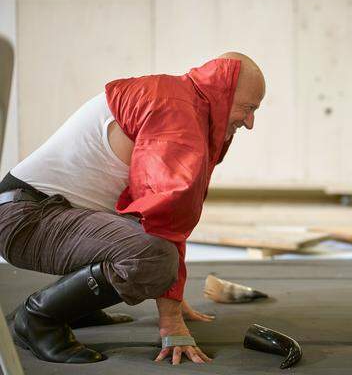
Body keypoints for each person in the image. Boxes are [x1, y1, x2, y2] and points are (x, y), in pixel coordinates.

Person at [0, 52, 265, 365]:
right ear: (224, 94)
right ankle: (37, 317)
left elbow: (170, 216)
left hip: (37, 210)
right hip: (24, 218)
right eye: (248, 108)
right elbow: (163, 221)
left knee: (150, 253)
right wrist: (171, 320)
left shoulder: (181, 101)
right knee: (154, 258)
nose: (249, 122)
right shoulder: (179, 116)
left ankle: (74, 307)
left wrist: (173, 297)